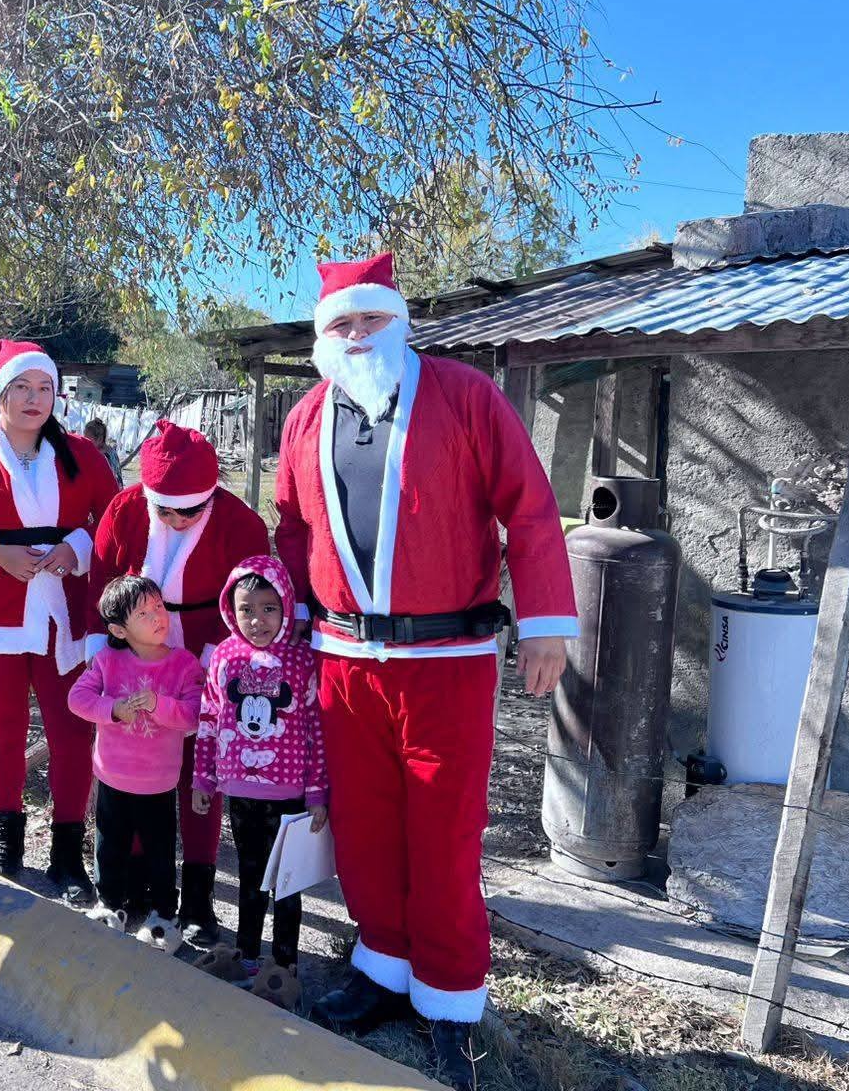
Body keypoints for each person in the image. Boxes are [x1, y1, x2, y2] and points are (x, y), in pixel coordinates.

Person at [274, 253, 575, 1087]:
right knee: (364, 828)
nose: (356, 335)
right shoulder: (305, 418)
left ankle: (451, 1001)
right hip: (344, 661)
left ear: (399, 322)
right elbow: (293, 529)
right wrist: (291, 623)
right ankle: (381, 964)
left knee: (443, 834)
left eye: (370, 319)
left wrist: (546, 624)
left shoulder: (464, 396)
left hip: (447, 663)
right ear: (323, 337)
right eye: (341, 324)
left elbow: (530, 506)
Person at [0, 339, 119, 904]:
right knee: (3, 730)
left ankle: (67, 853)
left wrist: (77, 547)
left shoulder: (82, 454)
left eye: (45, 389)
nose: (35, 399)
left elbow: (116, 519)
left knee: (71, 732)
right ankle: (5, 837)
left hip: (65, 614)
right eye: (22, 388)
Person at [86, 419, 270, 944]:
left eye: (189, 510)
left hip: (207, 654)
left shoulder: (239, 521)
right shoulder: (125, 509)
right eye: (164, 509)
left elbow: (252, 597)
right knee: (134, 765)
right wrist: (102, 648)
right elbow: (101, 581)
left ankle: (198, 899)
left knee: (199, 774)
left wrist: (218, 655)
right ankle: (134, 887)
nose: (176, 519)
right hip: (135, 655)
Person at [191, 555, 326, 978]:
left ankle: (284, 967)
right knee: (249, 875)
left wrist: (317, 792)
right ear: (230, 609)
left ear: (285, 605)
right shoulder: (224, 656)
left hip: (290, 796)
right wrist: (203, 778)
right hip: (241, 793)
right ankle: (247, 956)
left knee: (287, 882)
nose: (257, 620)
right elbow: (209, 719)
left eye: (269, 608)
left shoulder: (301, 660)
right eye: (246, 609)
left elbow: (316, 728)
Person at [67, 575, 204, 951]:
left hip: (159, 782)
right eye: (143, 613)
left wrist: (159, 705)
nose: (157, 616)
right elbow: (77, 700)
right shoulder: (106, 661)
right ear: (118, 629)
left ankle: (164, 917)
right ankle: (109, 906)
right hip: (112, 777)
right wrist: (112, 709)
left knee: (161, 852)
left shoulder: (183, 664)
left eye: (159, 606)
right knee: (109, 846)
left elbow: (194, 715)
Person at [83, 418, 124, 487]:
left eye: (88, 440)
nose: (85, 442)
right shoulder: (110, 451)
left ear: (100, 439)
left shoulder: (103, 457)